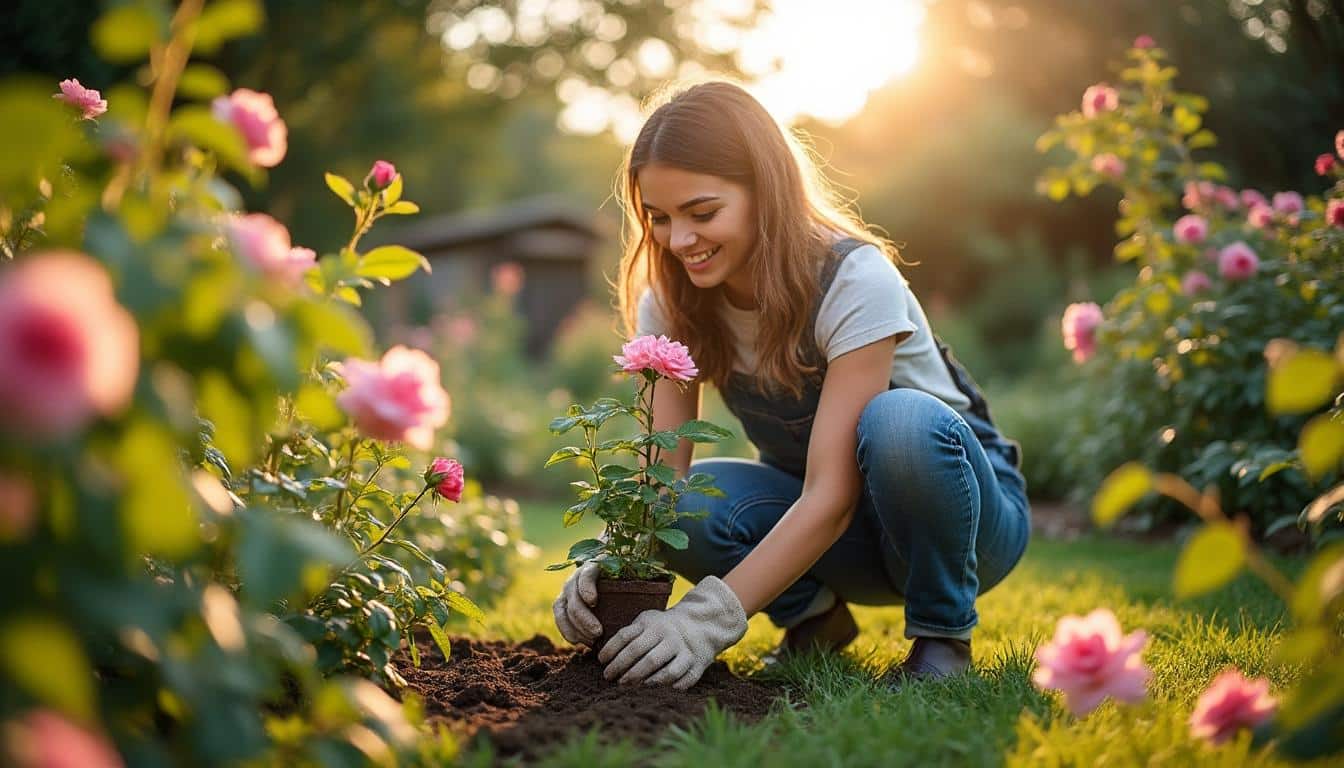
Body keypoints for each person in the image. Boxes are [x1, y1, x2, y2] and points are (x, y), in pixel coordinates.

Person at [552, 80, 1030, 691]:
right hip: (836, 533)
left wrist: (706, 620)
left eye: (702, 213)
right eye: (660, 218)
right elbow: (661, 478)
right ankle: (815, 622)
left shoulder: (853, 278)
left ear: (765, 192)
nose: (679, 241)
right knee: (690, 502)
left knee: (902, 422)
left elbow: (831, 493)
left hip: (962, 528)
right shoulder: (672, 301)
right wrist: (604, 557)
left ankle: (943, 641)